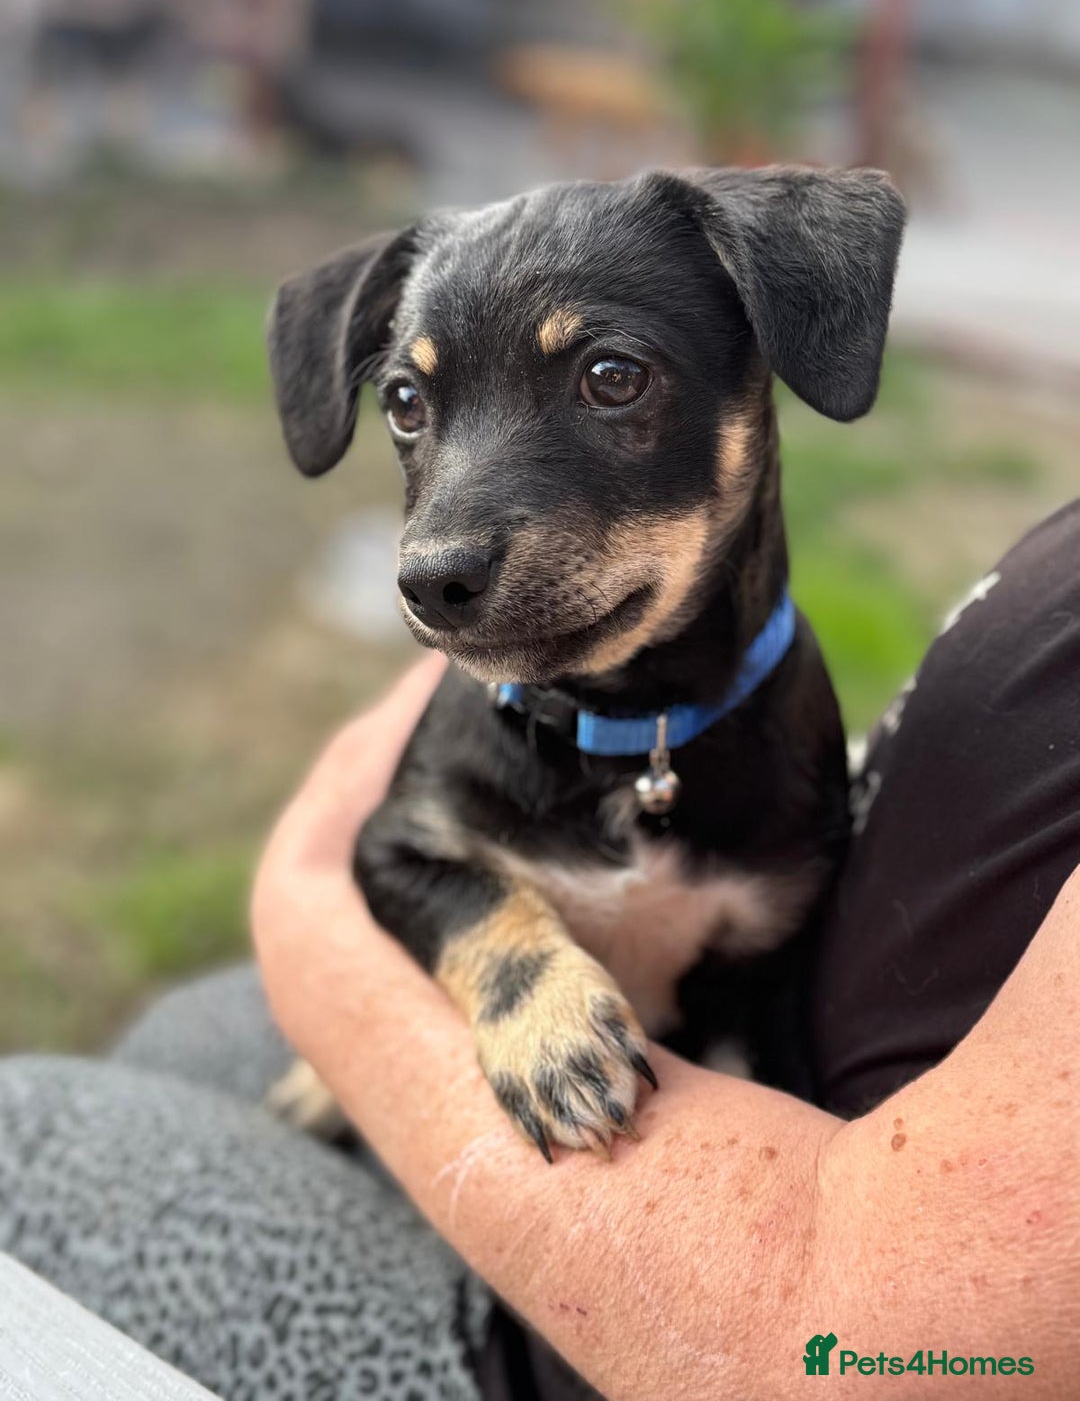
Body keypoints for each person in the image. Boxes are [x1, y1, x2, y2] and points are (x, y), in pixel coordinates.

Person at [1, 501, 1078, 1399]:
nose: (432, 554)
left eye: (613, 379)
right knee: (185, 1034)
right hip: (644, 1088)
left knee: (24, 1132)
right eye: (413, 409)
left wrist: (305, 916)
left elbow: (845, 1350)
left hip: (580, 1334)